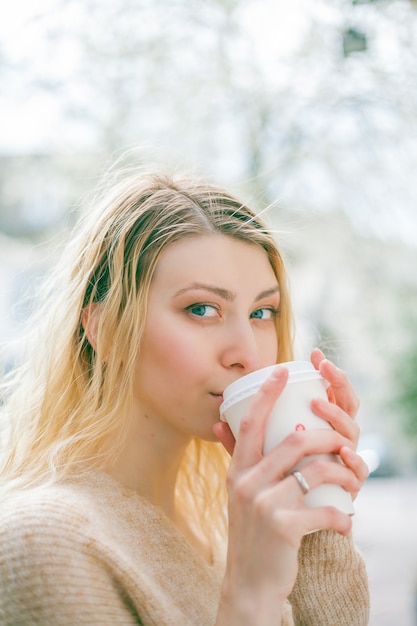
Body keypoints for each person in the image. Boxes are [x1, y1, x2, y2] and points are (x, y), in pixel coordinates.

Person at [0, 169, 369, 625]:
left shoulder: (222, 533)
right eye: (201, 309)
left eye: (261, 312)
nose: (247, 353)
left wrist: (315, 505)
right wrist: (249, 599)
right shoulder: (45, 541)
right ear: (107, 331)